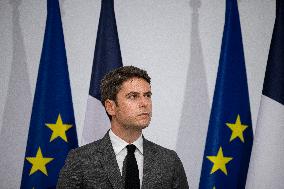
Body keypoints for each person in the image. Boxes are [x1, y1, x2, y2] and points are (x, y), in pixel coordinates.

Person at [57, 66, 189, 189]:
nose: (144, 103)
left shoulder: (169, 161)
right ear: (111, 107)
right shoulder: (80, 160)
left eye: (147, 95)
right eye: (133, 96)